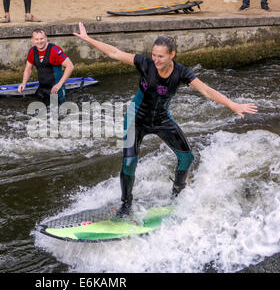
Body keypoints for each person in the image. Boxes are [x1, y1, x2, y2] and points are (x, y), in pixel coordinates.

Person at [73, 22, 258, 216]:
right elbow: (115, 53)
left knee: (187, 158)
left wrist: (233, 104)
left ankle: (177, 195)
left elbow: (206, 91)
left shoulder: (181, 73)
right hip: (135, 119)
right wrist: (88, 39)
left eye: (160, 56)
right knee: (129, 163)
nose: (156, 59)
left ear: (172, 55)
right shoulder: (145, 64)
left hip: (161, 119)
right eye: (154, 54)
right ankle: (126, 204)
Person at [18, 28, 74, 104]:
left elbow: (70, 66)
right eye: (36, 39)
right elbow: (28, 69)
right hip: (42, 89)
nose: (39, 41)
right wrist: (24, 83)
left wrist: (59, 84)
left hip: (56, 90)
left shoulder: (54, 50)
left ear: (46, 38)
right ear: (32, 40)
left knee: (58, 113)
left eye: (41, 39)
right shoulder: (32, 51)